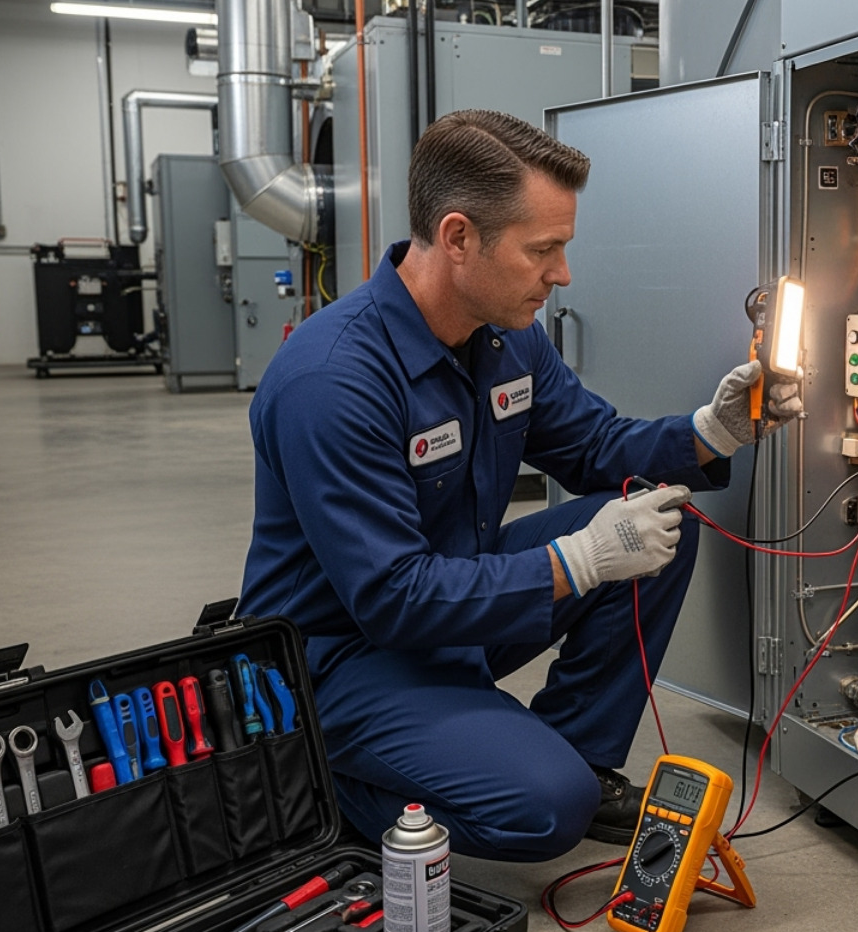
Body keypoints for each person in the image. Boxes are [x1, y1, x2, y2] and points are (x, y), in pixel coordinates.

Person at [239, 109, 801, 861]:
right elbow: (392, 597)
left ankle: (572, 755)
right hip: (341, 658)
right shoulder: (333, 379)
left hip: (451, 609)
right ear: (458, 236)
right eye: (544, 249)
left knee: (662, 521)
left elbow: (597, 445)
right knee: (544, 812)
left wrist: (714, 431)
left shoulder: (506, 339)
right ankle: (317, 785)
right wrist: (576, 562)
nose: (562, 274)